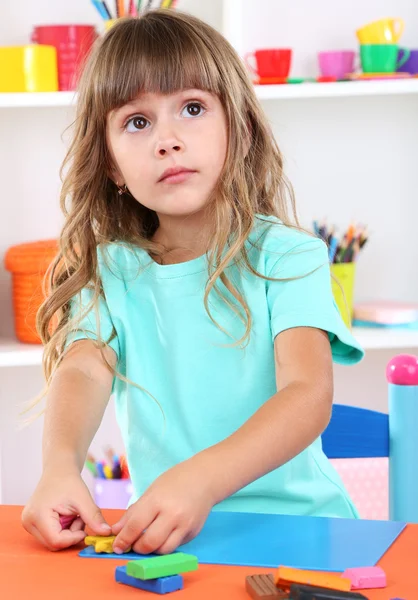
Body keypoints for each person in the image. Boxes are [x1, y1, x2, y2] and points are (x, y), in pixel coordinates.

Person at [21, 10, 364, 555]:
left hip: (306, 531)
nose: (168, 140)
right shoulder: (110, 271)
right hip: (171, 539)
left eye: (193, 108)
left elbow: (307, 394)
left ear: (241, 130)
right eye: (137, 122)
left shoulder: (290, 255)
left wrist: (203, 478)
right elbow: (84, 367)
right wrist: (59, 467)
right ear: (110, 163)